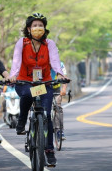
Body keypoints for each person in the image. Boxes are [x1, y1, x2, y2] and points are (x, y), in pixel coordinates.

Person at [9, 13, 67, 165]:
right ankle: (21, 121)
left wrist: (61, 74)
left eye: (40, 25)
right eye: (34, 26)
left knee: (47, 116)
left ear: (44, 28)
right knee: (27, 94)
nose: (38, 28)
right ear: (28, 29)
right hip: (23, 82)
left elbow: (55, 62)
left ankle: (49, 150)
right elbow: (16, 61)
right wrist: (12, 76)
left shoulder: (50, 44)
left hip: (44, 83)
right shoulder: (22, 43)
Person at [51, 61, 68, 140]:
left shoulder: (60, 64)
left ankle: (59, 131)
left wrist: (64, 89)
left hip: (55, 89)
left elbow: (64, 77)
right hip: (42, 88)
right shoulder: (40, 62)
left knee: (58, 108)